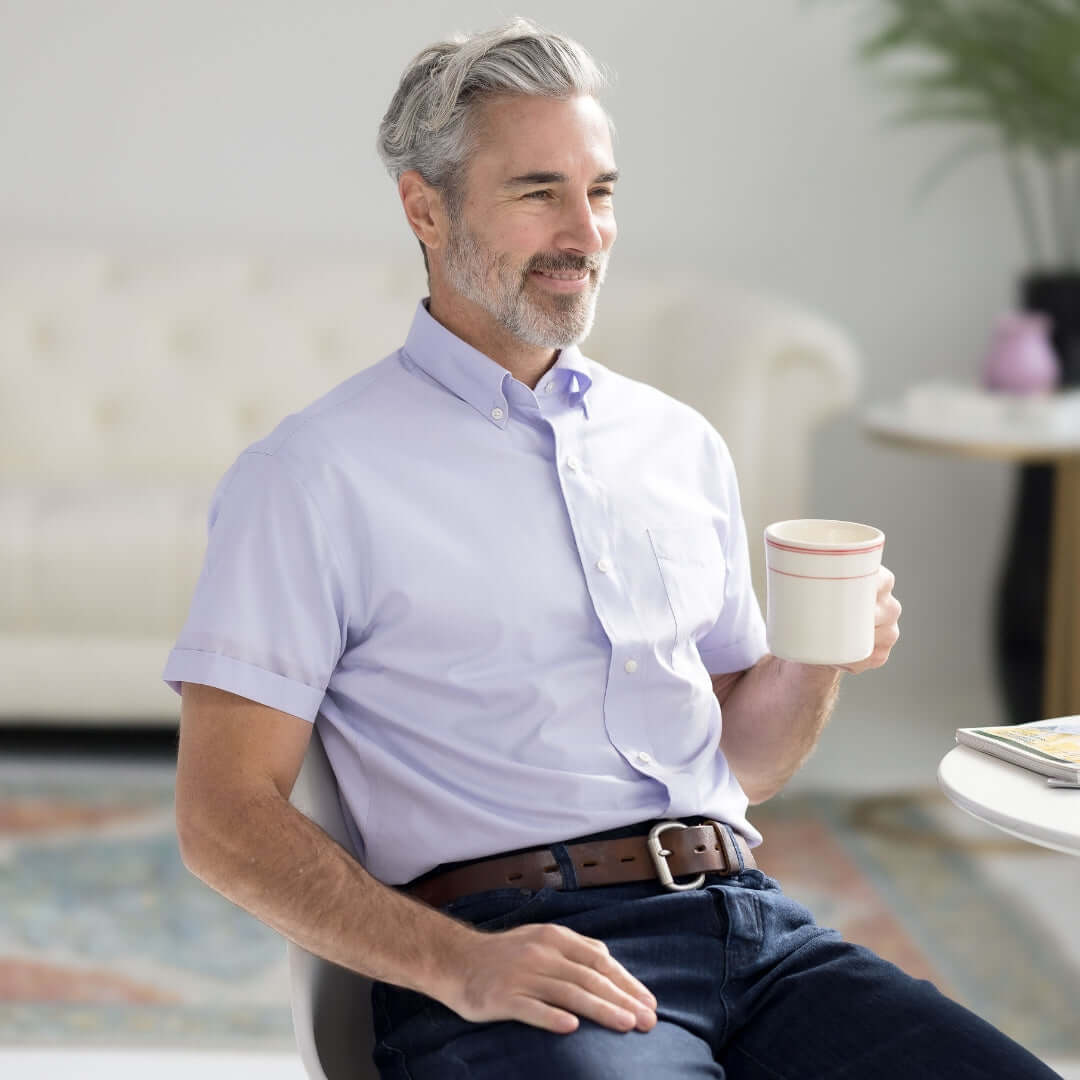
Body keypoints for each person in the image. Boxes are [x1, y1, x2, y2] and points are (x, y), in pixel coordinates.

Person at [167, 17, 1061, 1079]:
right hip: (519, 952)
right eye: (539, 191)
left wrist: (817, 657)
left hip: (754, 931)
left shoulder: (677, 445)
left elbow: (748, 762)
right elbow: (223, 816)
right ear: (424, 205)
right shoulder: (313, 475)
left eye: (601, 192)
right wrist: (457, 965)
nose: (584, 232)